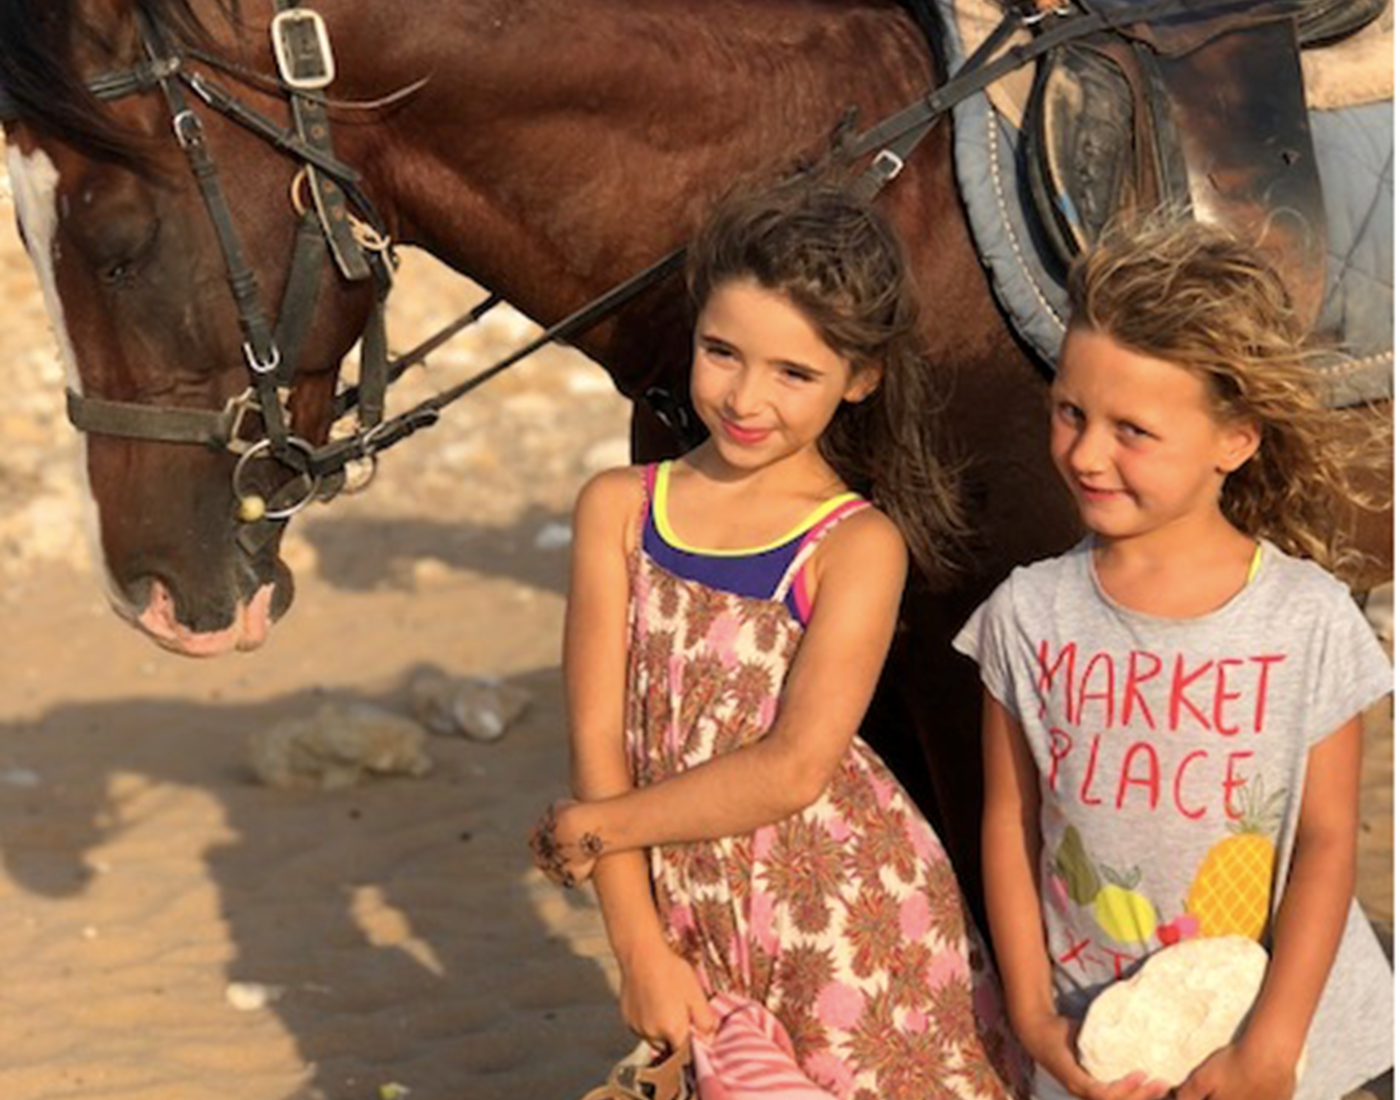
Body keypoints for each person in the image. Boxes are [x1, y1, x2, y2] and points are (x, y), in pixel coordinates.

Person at [528, 179, 1025, 1099]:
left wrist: (593, 830)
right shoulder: (619, 508)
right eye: (722, 352)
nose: (747, 397)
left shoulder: (855, 545)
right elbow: (598, 739)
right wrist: (637, 947)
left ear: (860, 378)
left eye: (795, 374)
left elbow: (795, 769)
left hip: (846, 921)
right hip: (691, 913)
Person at [954, 215, 1394, 1100]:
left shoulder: (1308, 619)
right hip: (1099, 1051)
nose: (1086, 453)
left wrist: (1270, 1048)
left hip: (1299, 1056)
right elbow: (1010, 821)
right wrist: (1034, 1019)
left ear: (1235, 440)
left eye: (1133, 430)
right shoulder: (1024, 617)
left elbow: (1324, 842)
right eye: (1071, 412)